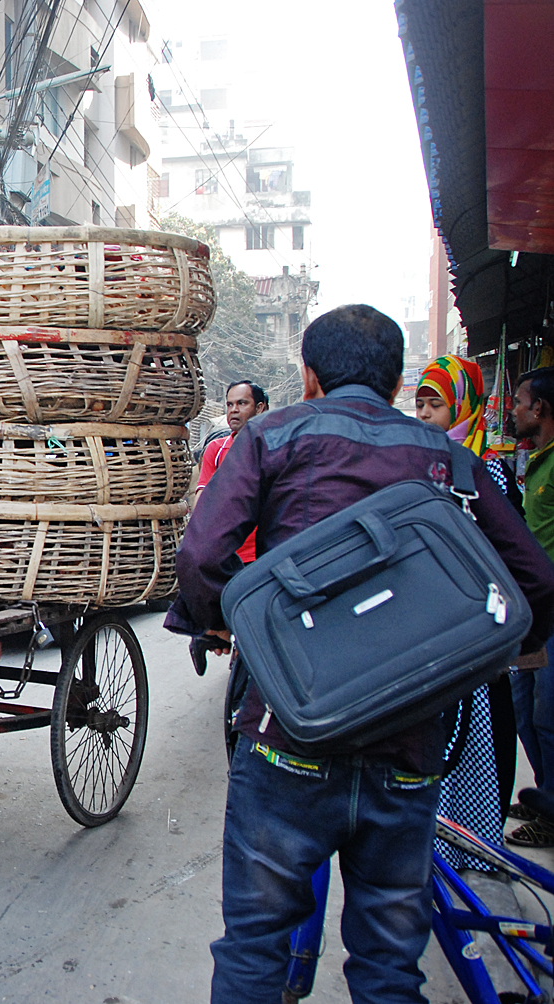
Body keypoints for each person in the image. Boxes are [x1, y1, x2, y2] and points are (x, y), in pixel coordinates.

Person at [168, 305, 554, 1002]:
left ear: (309, 379)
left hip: (287, 742)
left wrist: (238, 625)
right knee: (386, 965)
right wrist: (473, 656)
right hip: (406, 750)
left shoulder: (270, 439)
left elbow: (200, 558)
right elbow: (536, 583)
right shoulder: (451, 459)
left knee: (254, 948)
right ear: (396, 380)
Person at [414, 355, 518, 863]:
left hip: (478, 632)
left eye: (438, 404)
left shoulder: (488, 469)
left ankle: (474, 852)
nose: (428, 415)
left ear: (464, 405)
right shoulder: (415, 466)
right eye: (421, 404)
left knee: (477, 745)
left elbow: (517, 561)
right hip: (430, 632)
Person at [507, 366, 554, 845]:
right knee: (527, 709)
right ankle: (545, 794)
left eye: (520, 401)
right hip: (532, 609)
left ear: (539, 408)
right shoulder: (535, 459)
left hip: (551, 609)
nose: (515, 409)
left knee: (547, 713)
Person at [195, 380, 269, 563]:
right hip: (224, 555)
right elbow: (203, 499)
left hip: (265, 555)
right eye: (230, 404)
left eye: (242, 403)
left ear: (260, 408)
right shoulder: (216, 450)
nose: (233, 410)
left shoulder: (275, 448)